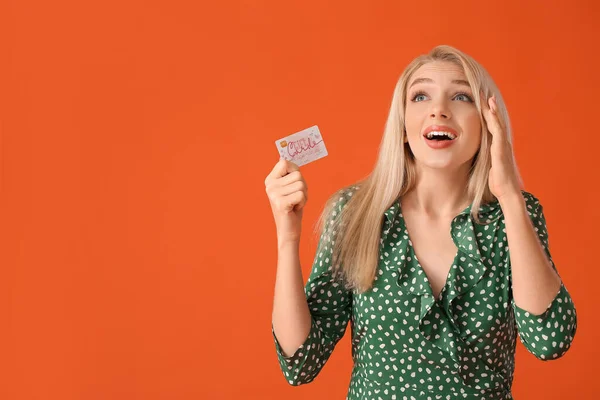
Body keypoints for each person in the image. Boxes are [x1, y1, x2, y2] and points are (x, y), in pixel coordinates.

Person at [264, 45, 577, 400]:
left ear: (488, 123)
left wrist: (509, 196)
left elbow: (549, 340)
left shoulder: (515, 215)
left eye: (461, 96)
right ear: (402, 126)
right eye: (421, 96)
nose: (439, 110)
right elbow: (301, 362)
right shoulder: (354, 214)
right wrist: (287, 238)